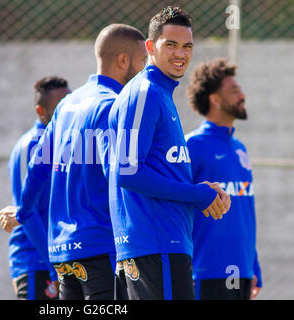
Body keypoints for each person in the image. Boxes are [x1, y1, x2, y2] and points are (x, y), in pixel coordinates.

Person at [0, 23, 147, 300]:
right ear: (123, 60)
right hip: (103, 248)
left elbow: (38, 168)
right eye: (142, 61)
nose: (145, 71)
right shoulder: (115, 104)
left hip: (63, 253)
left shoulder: (68, 104)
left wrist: (24, 211)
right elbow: (118, 178)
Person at [107, 6, 231, 300]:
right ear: (150, 47)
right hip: (155, 245)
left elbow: (156, 170)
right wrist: (197, 195)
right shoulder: (145, 92)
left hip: (165, 244)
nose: (181, 54)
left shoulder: (160, 93)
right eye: (171, 45)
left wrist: (200, 190)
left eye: (187, 46)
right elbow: (128, 172)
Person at [185, 58, 262, 300]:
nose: (242, 95)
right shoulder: (191, 145)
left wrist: (253, 264)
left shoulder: (239, 147)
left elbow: (244, 212)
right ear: (215, 99)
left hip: (243, 269)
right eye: (234, 90)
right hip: (207, 270)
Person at [1, 76, 70, 300]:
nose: (68, 109)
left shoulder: (63, 143)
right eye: (61, 105)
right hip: (37, 262)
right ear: (41, 111)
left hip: (59, 260)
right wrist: (53, 267)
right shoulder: (32, 144)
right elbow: (25, 211)